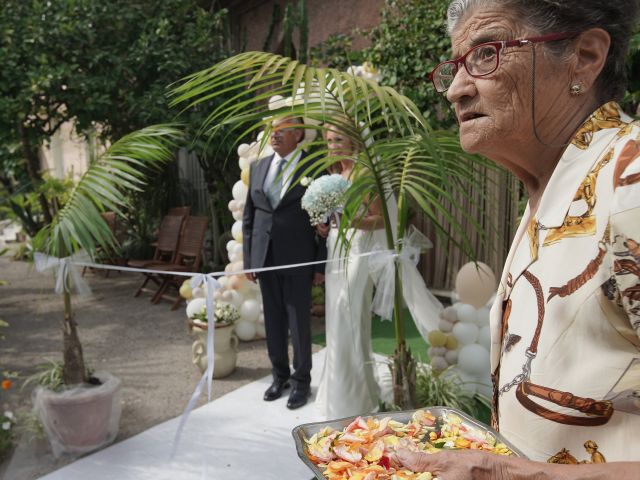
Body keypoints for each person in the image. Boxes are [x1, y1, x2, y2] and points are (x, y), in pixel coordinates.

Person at [396, 0, 640, 477]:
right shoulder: (553, 186)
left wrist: (511, 473)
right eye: (454, 66)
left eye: (487, 53)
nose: (457, 90)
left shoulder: (629, 181)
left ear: (585, 57)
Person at [242, 116, 326, 410]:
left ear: (298, 133)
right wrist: (250, 260)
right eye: (271, 130)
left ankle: (302, 383)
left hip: (299, 259)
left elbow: (323, 220)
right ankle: (279, 377)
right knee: (273, 323)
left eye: (281, 130)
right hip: (265, 259)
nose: (274, 135)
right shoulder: (258, 167)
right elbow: (249, 219)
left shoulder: (313, 168)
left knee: (298, 324)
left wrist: (319, 266)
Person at [314, 124, 386, 419]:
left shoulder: (364, 175)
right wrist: (324, 226)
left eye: (338, 139)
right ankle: (337, 394)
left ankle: (358, 401)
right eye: (329, 141)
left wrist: (351, 222)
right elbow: (334, 220)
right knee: (335, 322)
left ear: (353, 141)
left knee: (350, 320)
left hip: (358, 252)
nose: (333, 145)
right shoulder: (334, 177)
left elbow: (380, 220)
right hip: (335, 251)